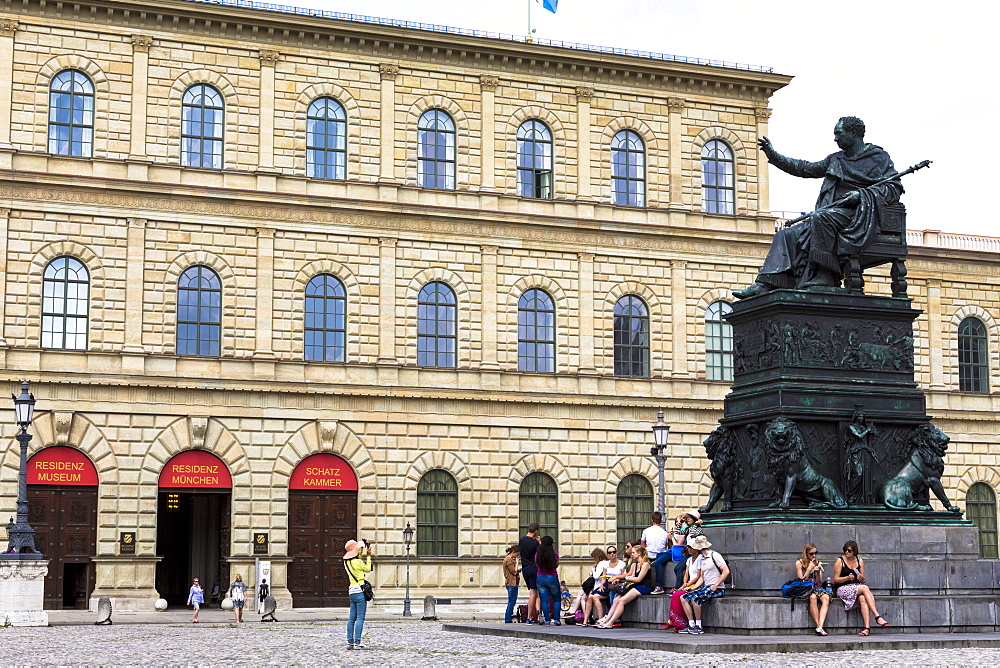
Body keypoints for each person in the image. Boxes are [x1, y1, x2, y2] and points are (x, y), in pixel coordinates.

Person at [734, 116, 902, 298]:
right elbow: (804, 168)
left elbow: (893, 188)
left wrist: (861, 196)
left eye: (839, 134)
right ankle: (767, 283)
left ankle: (824, 274)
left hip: (858, 216)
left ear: (853, 133)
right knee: (786, 234)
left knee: (819, 218)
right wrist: (774, 156)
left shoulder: (877, 157)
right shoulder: (836, 159)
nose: (835, 139)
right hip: (833, 215)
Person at [833, 540, 889, 636]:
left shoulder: (859, 561)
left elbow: (862, 580)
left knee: (863, 598)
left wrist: (861, 578)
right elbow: (835, 579)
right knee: (865, 588)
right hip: (843, 588)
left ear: (854, 551)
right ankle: (877, 616)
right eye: (845, 550)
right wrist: (847, 578)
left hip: (857, 587)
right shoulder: (840, 561)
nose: (847, 552)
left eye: (849, 550)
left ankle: (867, 628)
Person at [595, 545, 655, 629]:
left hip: (644, 587)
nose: (632, 554)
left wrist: (628, 578)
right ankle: (606, 621)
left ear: (639, 553)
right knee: (616, 600)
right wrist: (626, 578)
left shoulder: (645, 564)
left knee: (621, 601)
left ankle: (611, 622)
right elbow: (631, 576)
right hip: (634, 585)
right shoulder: (635, 564)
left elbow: (638, 579)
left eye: (634, 552)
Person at [679, 535, 730, 634]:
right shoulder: (701, 558)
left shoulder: (714, 555)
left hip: (717, 588)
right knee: (684, 597)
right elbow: (702, 577)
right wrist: (693, 588)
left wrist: (716, 584)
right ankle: (691, 625)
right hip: (707, 586)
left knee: (695, 598)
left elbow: (726, 571)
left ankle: (699, 626)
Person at [660, 544, 700, 632]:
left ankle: (679, 622)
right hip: (689, 584)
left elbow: (698, 576)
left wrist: (688, 584)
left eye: (691, 548)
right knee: (676, 595)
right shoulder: (689, 560)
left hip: (696, 584)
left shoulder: (700, 559)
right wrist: (684, 583)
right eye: (688, 547)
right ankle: (677, 622)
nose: (688, 549)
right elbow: (686, 574)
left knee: (677, 595)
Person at [344, 538, 374, 649]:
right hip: (360, 591)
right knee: (360, 618)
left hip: (351, 591)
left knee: (352, 618)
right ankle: (357, 642)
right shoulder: (359, 562)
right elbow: (367, 568)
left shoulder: (347, 562)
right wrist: (369, 556)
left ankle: (350, 641)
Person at [795, 543, 830, 636]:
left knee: (826, 598)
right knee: (813, 597)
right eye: (811, 553)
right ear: (806, 554)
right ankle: (819, 626)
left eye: (815, 553)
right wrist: (809, 569)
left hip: (816, 586)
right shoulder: (799, 563)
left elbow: (819, 582)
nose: (814, 555)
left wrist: (818, 572)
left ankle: (819, 627)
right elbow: (801, 581)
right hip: (805, 587)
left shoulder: (818, 562)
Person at [583, 545, 620, 626]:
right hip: (604, 584)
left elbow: (623, 575)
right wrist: (601, 584)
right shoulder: (606, 564)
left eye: (613, 552)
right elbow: (603, 577)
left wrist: (593, 570)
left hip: (612, 585)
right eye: (610, 553)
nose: (612, 554)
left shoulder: (619, 564)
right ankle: (586, 620)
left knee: (594, 597)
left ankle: (599, 619)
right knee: (589, 597)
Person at [569, 547, 607, 622]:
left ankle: (585, 617)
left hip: (598, 585)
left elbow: (595, 576)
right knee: (582, 596)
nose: (593, 560)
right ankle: (584, 617)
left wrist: (593, 570)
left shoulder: (601, 563)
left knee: (583, 597)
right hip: (596, 585)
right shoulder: (604, 562)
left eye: (594, 558)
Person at [670, 510, 704, 589]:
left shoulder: (698, 529)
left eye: (689, 518)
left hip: (695, 553)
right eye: (687, 518)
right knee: (679, 569)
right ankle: (680, 586)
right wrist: (682, 520)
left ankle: (678, 587)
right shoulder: (689, 528)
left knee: (679, 568)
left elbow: (693, 534)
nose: (687, 519)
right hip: (689, 552)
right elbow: (678, 531)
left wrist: (695, 524)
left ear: (694, 519)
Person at [641, 511, 670, 595]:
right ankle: (658, 586)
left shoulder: (646, 531)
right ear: (661, 520)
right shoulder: (664, 533)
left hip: (649, 555)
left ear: (651, 520)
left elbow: (643, 544)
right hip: (660, 555)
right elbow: (665, 546)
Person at [534, 535, 561, 626]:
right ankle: (557, 619)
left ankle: (547, 620)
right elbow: (556, 565)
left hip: (540, 577)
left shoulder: (538, 555)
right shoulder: (555, 555)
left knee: (544, 600)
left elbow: (537, 565)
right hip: (552, 576)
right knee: (556, 599)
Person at [518, 523, 541, 624]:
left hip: (525, 569)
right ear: (536, 531)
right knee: (533, 594)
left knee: (534, 593)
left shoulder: (522, 540)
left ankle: (535, 614)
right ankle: (529, 617)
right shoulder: (535, 543)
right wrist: (539, 542)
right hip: (533, 568)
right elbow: (540, 554)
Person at [502, 544, 520, 623]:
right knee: (511, 602)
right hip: (511, 583)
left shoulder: (509, 560)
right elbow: (514, 571)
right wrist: (517, 563)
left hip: (512, 583)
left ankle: (508, 617)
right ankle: (508, 618)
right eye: (517, 554)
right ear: (514, 552)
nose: (517, 556)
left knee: (512, 601)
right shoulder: (508, 560)